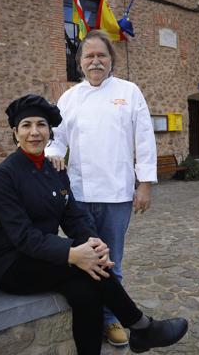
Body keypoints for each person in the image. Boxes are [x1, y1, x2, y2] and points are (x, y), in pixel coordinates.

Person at [0, 94, 187, 355]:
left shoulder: (56, 170)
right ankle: (141, 326)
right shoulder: (5, 174)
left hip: (46, 259)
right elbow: (22, 236)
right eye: (26, 125)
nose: (34, 132)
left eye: (41, 125)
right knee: (89, 269)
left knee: (87, 291)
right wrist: (72, 254)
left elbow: (73, 216)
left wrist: (94, 241)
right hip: (14, 264)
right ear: (16, 133)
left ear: (50, 132)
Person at [45, 29, 157, 346]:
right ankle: (91, 317)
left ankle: (109, 320)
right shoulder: (69, 98)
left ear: (111, 60)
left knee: (112, 262)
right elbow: (56, 140)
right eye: (89, 56)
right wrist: (53, 157)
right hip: (79, 198)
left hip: (118, 194)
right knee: (87, 261)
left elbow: (144, 140)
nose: (96, 61)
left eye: (101, 55)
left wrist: (145, 183)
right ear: (80, 63)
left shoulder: (129, 92)